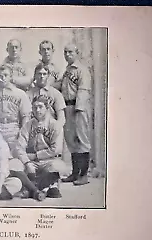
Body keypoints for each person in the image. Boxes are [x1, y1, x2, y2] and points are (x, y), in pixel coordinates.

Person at [12, 95, 67, 200]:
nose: (37, 110)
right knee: (15, 164)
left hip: (49, 160)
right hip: (32, 162)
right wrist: (27, 162)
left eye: (40, 107)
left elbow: (56, 149)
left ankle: (32, 189)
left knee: (57, 166)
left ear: (47, 108)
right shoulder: (28, 125)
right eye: (34, 107)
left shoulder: (55, 125)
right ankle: (47, 187)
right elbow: (19, 147)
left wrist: (35, 156)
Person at [60, 44, 91, 186]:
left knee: (82, 140)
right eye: (65, 52)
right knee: (71, 141)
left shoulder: (82, 70)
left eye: (70, 52)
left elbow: (84, 89)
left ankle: (83, 175)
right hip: (68, 106)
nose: (67, 54)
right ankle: (75, 173)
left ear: (77, 52)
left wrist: (79, 108)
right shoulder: (67, 70)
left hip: (79, 107)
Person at [0, 64, 32, 153]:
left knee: (16, 155)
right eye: (0, 76)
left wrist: (22, 134)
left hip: (13, 128)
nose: (3, 78)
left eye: (6, 75)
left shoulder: (20, 94)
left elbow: (25, 116)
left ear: (10, 77)